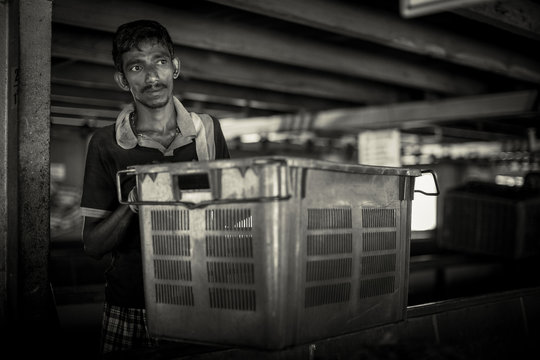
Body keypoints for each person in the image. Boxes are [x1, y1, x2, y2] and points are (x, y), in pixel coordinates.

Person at [80, 19, 230, 355]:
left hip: (201, 302)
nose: (151, 77)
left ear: (174, 67)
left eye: (160, 62)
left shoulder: (207, 132)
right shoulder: (105, 143)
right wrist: (134, 202)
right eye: (137, 66)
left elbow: (228, 215)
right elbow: (92, 245)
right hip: (130, 306)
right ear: (123, 79)